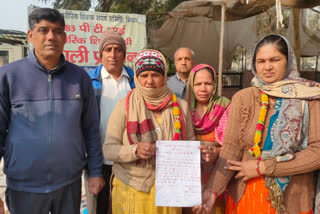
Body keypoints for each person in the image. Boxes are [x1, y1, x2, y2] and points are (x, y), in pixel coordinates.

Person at [193, 34, 320, 214]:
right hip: (245, 199)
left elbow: (317, 152)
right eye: (261, 61)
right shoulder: (243, 98)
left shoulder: (310, 97)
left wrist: (263, 167)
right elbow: (231, 150)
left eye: (274, 59)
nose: (267, 67)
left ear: (289, 60)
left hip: (293, 200)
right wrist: (212, 191)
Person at [0, 8, 104, 214]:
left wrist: (95, 172)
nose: (50, 37)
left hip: (69, 184)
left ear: (65, 38)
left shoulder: (80, 78)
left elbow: (91, 129)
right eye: (43, 30)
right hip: (24, 188)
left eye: (57, 31)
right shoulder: (8, 77)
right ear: (30, 35)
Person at [104, 49, 195, 214]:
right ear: (137, 78)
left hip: (170, 190)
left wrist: (200, 152)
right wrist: (135, 150)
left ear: (164, 76)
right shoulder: (124, 106)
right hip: (132, 188)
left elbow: (190, 142)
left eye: (155, 75)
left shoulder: (181, 107)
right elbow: (109, 149)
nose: (149, 81)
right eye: (144, 75)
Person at [86, 28, 135, 214]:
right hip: (98, 161)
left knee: (124, 208)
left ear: (124, 54)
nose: (113, 54)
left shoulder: (135, 81)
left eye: (117, 49)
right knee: (98, 208)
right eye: (108, 50)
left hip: (128, 160)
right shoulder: (89, 81)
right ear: (101, 55)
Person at [184, 64, 230, 214]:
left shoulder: (225, 106)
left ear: (214, 85)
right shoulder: (182, 109)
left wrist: (217, 151)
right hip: (190, 180)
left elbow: (234, 145)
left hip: (218, 175)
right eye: (198, 84)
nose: (203, 89)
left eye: (208, 84)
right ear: (191, 85)